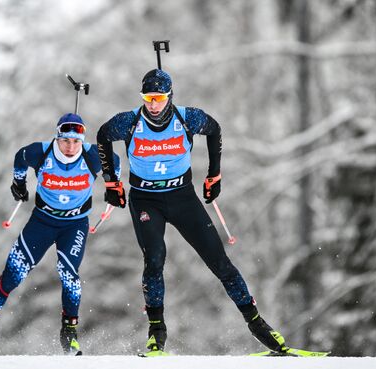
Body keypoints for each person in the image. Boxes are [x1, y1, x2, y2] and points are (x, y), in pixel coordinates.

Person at [96, 69, 286, 355]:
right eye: (148, 98)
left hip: (182, 198)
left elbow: (215, 129)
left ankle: (258, 324)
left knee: (219, 261)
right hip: (146, 200)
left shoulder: (187, 118)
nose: (153, 104)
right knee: (155, 259)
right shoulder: (129, 122)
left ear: (170, 96)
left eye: (159, 98)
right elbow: (102, 135)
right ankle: (156, 333)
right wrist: (111, 182)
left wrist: (214, 176)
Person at [0, 113, 120, 355]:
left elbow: (114, 161)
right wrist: (19, 183)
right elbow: (20, 158)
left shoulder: (93, 155)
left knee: (69, 274)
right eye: (65, 141)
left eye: (76, 141)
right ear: (57, 137)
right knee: (12, 275)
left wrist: (112, 185)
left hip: (74, 225)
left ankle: (69, 333)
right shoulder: (39, 152)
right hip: (42, 222)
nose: (71, 147)